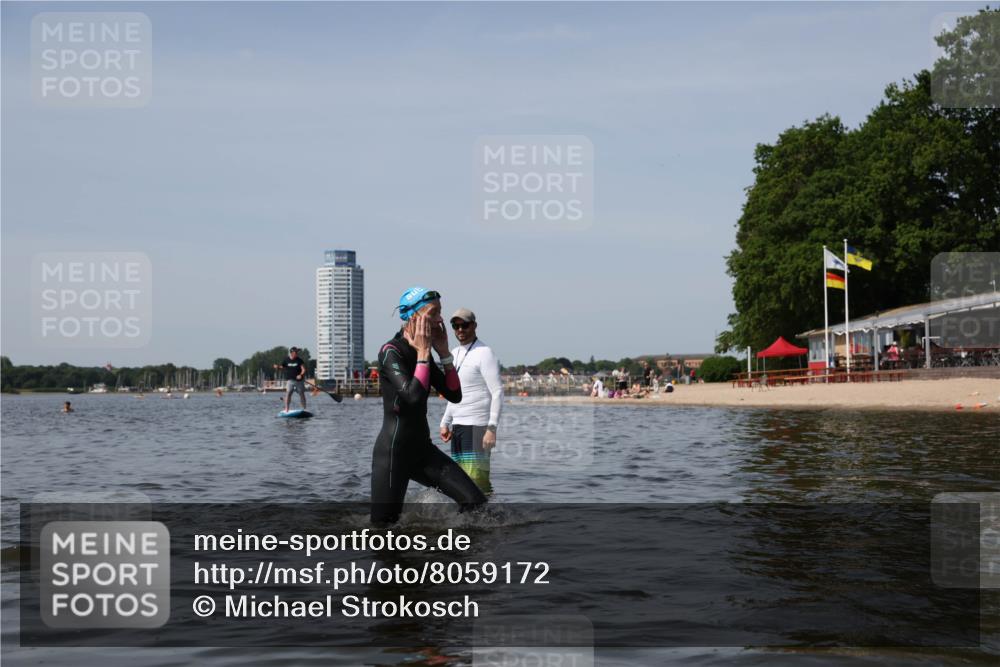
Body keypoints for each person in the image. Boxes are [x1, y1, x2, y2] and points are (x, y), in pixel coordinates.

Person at [371, 287, 487, 524]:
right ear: (413, 317)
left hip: (422, 451)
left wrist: (443, 353)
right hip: (393, 453)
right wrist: (424, 353)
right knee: (383, 528)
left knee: (475, 504)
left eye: (440, 312)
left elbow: (454, 394)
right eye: (434, 313)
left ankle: (456, 555)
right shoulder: (391, 351)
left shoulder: (423, 354)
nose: (440, 320)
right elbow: (412, 396)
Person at [439, 308, 504, 495]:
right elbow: (455, 393)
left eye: (465, 325)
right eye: (456, 326)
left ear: (474, 326)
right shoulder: (454, 353)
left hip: (477, 428)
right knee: (461, 484)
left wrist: (492, 429)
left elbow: (498, 392)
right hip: (458, 427)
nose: (460, 329)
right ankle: (469, 522)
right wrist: (445, 422)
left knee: (478, 482)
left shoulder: (484, 353)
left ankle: (490, 520)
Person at [273, 347, 307, 412]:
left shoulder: (299, 360)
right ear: (291, 353)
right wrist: (277, 367)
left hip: (299, 381)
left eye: (297, 352)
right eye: (295, 352)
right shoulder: (286, 360)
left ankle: (304, 409)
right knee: (288, 393)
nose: (297, 353)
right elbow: (282, 367)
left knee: (301, 394)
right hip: (290, 380)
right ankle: (287, 409)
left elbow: (303, 370)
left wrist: (300, 375)